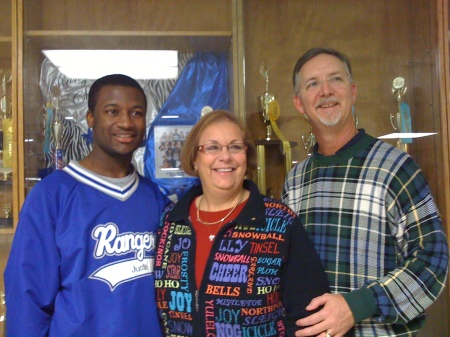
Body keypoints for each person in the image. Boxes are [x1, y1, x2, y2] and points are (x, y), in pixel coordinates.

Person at [283, 47, 449, 337]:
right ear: (299, 103)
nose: (326, 91)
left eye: (336, 79)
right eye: (313, 84)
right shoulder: (295, 181)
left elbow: (432, 260)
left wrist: (358, 305)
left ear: (353, 90)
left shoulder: (397, 168)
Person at [4, 74, 170, 336]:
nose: (126, 122)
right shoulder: (51, 197)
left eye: (136, 112)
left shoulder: (156, 199)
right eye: (112, 111)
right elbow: (27, 300)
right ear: (90, 118)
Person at [153, 110, 329, 336]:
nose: (225, 156)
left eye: (235, 147)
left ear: (246, 158)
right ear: (195, 159)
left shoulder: (279, 222)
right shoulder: (169, 221)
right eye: (212, 147)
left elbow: (310, 316)